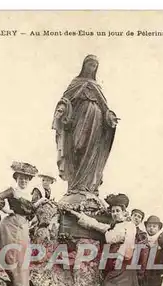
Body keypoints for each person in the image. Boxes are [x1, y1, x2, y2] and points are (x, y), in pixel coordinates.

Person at [70, 193, 146, 286]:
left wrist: (121, 257)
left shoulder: (129, 225)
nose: (115, 214)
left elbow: (129, 241)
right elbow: (94, 224)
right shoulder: (112, 227)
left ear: (124, 213)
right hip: (111, 258)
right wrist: (75, 214)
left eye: (118, 211)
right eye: (113, 211)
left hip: (122, 260)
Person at [52, 54, 118, 194]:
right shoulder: (76, 82)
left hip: (96, 122)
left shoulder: (97, 86)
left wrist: (110, 117)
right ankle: (74, 184)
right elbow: (65, 99)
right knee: (77, 147)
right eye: (90, 65)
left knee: (91, 150)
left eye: (94, 66)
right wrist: (62, 108)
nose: (91, 68)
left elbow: (104, 106)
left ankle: (85, 184)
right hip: (80, 119)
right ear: (84, 66)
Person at [0, 161, 38, 286]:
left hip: (24, 226)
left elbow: (32, 212)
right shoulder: (13, 191)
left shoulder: (30, 195)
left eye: (26, 179)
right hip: (11, 223)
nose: (23, 181)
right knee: (10, 253)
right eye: (21, 178)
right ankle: (10, 284)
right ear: (16, 179)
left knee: (22, 255)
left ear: (29, 181)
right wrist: (6, 210)